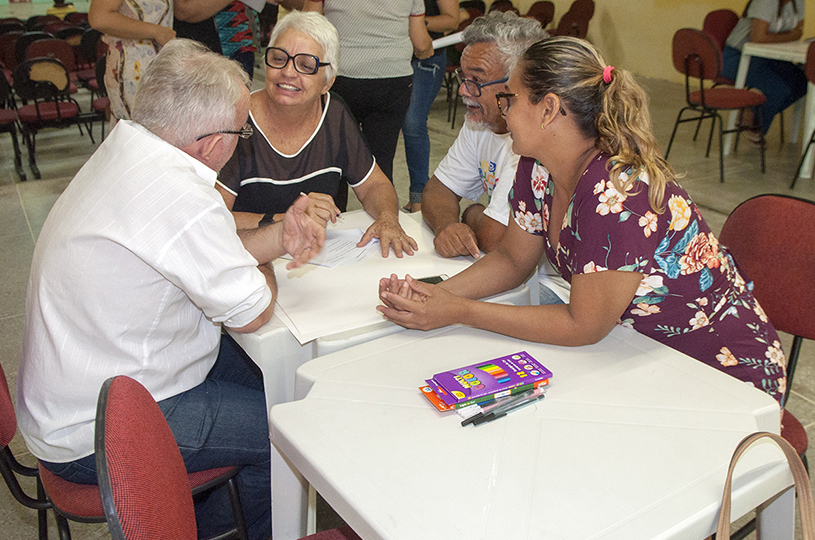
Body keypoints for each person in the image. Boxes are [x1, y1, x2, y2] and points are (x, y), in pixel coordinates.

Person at [16, 39, 325, 540]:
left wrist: (276, 239)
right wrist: (263, 268)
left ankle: (216, 508)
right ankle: (219, 530)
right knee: (289, 430)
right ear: (210, 142)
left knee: (273, 382)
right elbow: (252, 311)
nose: (240, 141)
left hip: (81, 391)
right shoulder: (182, 192)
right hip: (94, 433)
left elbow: (201, 252)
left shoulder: (130, 147)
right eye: (241, 131)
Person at [378, 37, 787, 403]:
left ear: (548, 109)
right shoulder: (537, 167)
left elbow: (582, 325)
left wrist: (458, 311)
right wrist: (436, 296)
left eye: (511, 100)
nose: (503, 113)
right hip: (640, 349)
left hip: (719, 373)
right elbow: (512, 260)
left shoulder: (618, 192)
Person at [217, 11, 418, 258]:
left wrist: (387, 218)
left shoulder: (334, 114)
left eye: (306, 65)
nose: (288, 72)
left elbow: (374, 184)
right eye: (279, 58)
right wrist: (287, 220)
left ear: (327, 82)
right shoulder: (237, 120)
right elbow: (211, 214)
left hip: (318, 259)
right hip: (245, 257)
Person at [420, 11, 562, 301]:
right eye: (463, 77)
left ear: (519, 85)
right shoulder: (480, 121)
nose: (463, 90)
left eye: (476, 80)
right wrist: (448, 225)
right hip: (513, 271)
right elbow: (437, 189)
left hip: (554, 287)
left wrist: (470, 212)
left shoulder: (536, 142)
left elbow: (499, 240)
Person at [304, 0, 433, 188]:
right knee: (381, 161)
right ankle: (383, 214)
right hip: (393, 79)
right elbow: (421, 43)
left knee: (334, 159)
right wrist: (427, 50)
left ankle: (334, 214)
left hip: (341, 78)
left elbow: (309, 27)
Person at [401, 0, 464, 213]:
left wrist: (415, 22)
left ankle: (418, 197)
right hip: (393, 55)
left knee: (413, 122)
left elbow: (451, 20)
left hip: (427, 57)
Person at [722, 0, 807, 136]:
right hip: (738, 57)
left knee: (803, 81)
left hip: (768, 57)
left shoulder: (799, 2)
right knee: (779, 89)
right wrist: (790, 36)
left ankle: (752, 113)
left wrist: (784, 37)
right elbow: (758, 37)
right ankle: (755, 128)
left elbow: (799, 32)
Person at [89, 0, 176, 120]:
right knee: (142, 129)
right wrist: (157, 32)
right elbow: (100, 18)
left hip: (159, 65)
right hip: (133, 66)